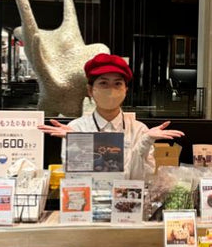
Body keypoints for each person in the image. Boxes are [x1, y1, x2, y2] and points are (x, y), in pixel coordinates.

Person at [39, 53, 184, 179]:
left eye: (117, 84)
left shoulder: (140, 130)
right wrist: (80, 142)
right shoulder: (76, 128)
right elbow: (75, 181)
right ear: (90, 90)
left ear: (125, 90)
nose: (111, 90)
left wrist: (144, 143)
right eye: (103, 83)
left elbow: (141, 181)